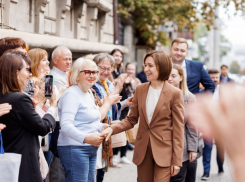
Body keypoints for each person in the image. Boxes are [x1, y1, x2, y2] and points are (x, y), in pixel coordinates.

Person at [104, 50, 185, 182]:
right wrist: (112, 129)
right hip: (143, 151)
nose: (146, 69)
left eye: (150, 65)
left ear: (161, 66)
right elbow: (131, 120)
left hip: (164, 152)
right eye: (145, 65)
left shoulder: (175, 93)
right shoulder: (140, 89)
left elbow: (178, 129)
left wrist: (177, 160)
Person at [0, 50, 57, 182]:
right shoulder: (20, 99)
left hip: (8, 160)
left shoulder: (9, 96)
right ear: (16, 72)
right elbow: (43, 127)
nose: (30, 74)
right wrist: (53, 106)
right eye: (27, 70)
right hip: (24, 163)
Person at [57, 58, 118, 182]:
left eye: (95, 72)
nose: (92, 76)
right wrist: (86, 138)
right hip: (74, 148)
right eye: (88, 72)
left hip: (90, 147)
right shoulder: (71, 94)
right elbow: (65, 125)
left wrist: (101, 127)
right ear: (77, 75)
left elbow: (89, 120)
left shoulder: (88, 92)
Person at [170, 38, 215, 182]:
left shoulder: (196, 66)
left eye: (182, 50)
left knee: (190, 159)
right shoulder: (162, 64)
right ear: (171, 49)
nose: (179, 53)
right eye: (176, 49)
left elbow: (210, 86)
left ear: (186, 52)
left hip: (189, 114)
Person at [188, 84, 245, 182]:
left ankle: (220, 167)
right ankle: (206, 171)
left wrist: (239, 159)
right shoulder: (204, 93)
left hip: (225, 128)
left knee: (220, 151)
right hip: (216, 128)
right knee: (207, 150)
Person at [92, 53, 128, 181]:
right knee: (95, 167)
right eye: (102, 68)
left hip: (107, 126)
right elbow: (104, 103)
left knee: (102, 166)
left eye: (108, 69)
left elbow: (112, 106)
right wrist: (118, 88)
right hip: (97, 128)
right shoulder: (93, 84)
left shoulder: (108, 83)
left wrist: (125, 103)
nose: (105, 72)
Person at [168, 64, 198, 182]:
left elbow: (192, 126)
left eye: (173, 76)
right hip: (161, 146)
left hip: (181, 148)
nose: (170, 78)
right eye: (167, 75)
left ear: (181, 78)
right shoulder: (159, 94)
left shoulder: (189, 98)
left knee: (178, 178)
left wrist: (192, 149)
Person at [48, 45, 72, 182]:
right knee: (57, 166)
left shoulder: (67, 75)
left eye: (70, 59)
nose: (69, 62)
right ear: (55, 60)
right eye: (65, 59)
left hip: (63, 124)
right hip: (57, 123)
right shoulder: (52, 77)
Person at [200, 69, 225, 180]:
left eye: (216, 77)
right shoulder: (202, 92)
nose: (214, 80)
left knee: (220, 148)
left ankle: (220, 166)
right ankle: (206, 172)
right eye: (212, 77)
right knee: (207, 147)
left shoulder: (224, 92)